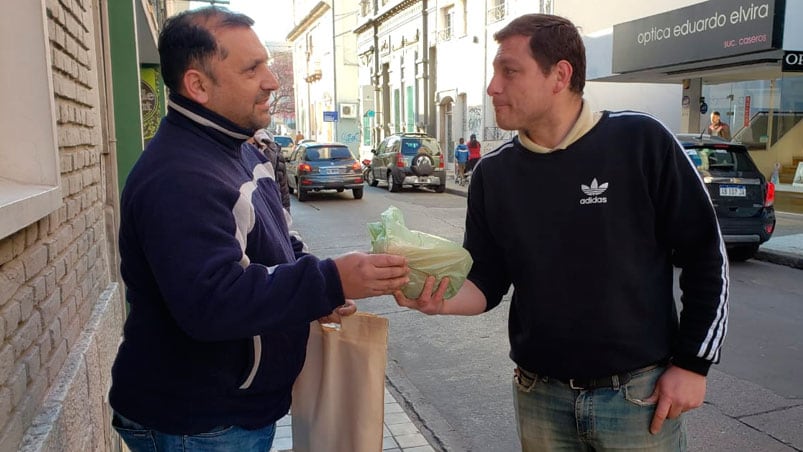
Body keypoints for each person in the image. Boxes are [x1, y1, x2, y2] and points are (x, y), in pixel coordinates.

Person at [395, 13, 728, 451]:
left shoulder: (641, 142)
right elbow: (485, 282)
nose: (493, 87)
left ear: (560, 75)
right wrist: (435, 300)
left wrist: (693, 365)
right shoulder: (494, 175)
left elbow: (706, 255)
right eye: (494, 72)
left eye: (509, 71)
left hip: (637, 398)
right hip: (540, 397)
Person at [110, 7, 409, 451]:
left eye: (267, 64)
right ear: (198, 85)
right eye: (253, 69)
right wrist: (329, 278)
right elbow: (212, 300)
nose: (271, 81)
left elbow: (279, 244)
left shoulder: (237, 149)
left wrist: (317, 291)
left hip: (229, 413)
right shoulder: (181, 176)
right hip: (199, 423)